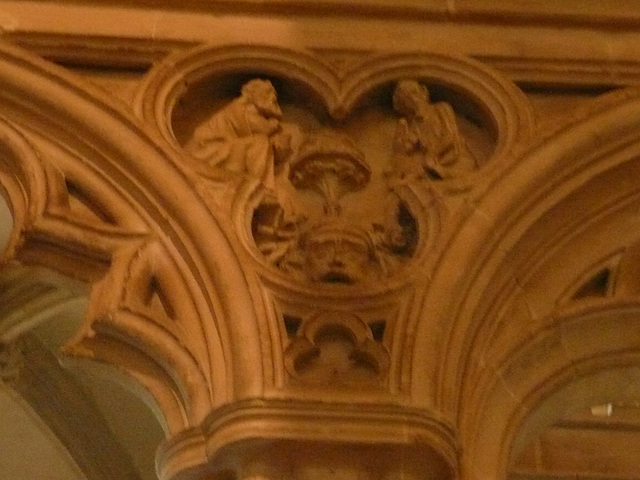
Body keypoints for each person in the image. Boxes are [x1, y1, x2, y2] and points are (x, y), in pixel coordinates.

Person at [186, 78, 291, 190]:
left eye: (273, 94)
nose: (273, 98)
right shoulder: (239, 108)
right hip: (208, 150)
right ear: (255, 95)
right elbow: (261, 128)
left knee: (260, 142)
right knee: (259, 142)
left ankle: (260, 186)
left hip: (225, 147)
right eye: (268, 93)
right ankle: (259, 187)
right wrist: (273, 124)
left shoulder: (250, 111)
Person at [392, 79, 474, 180]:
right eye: (407, 99)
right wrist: (401, 131)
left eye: (414, 92)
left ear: (423, 92)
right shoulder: (414, 125)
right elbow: (405, 149)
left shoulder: (441, 108)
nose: (413, 99)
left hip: (456, 158)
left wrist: (431, 154)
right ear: (403, 105)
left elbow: (450, 135)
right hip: (433, 165)